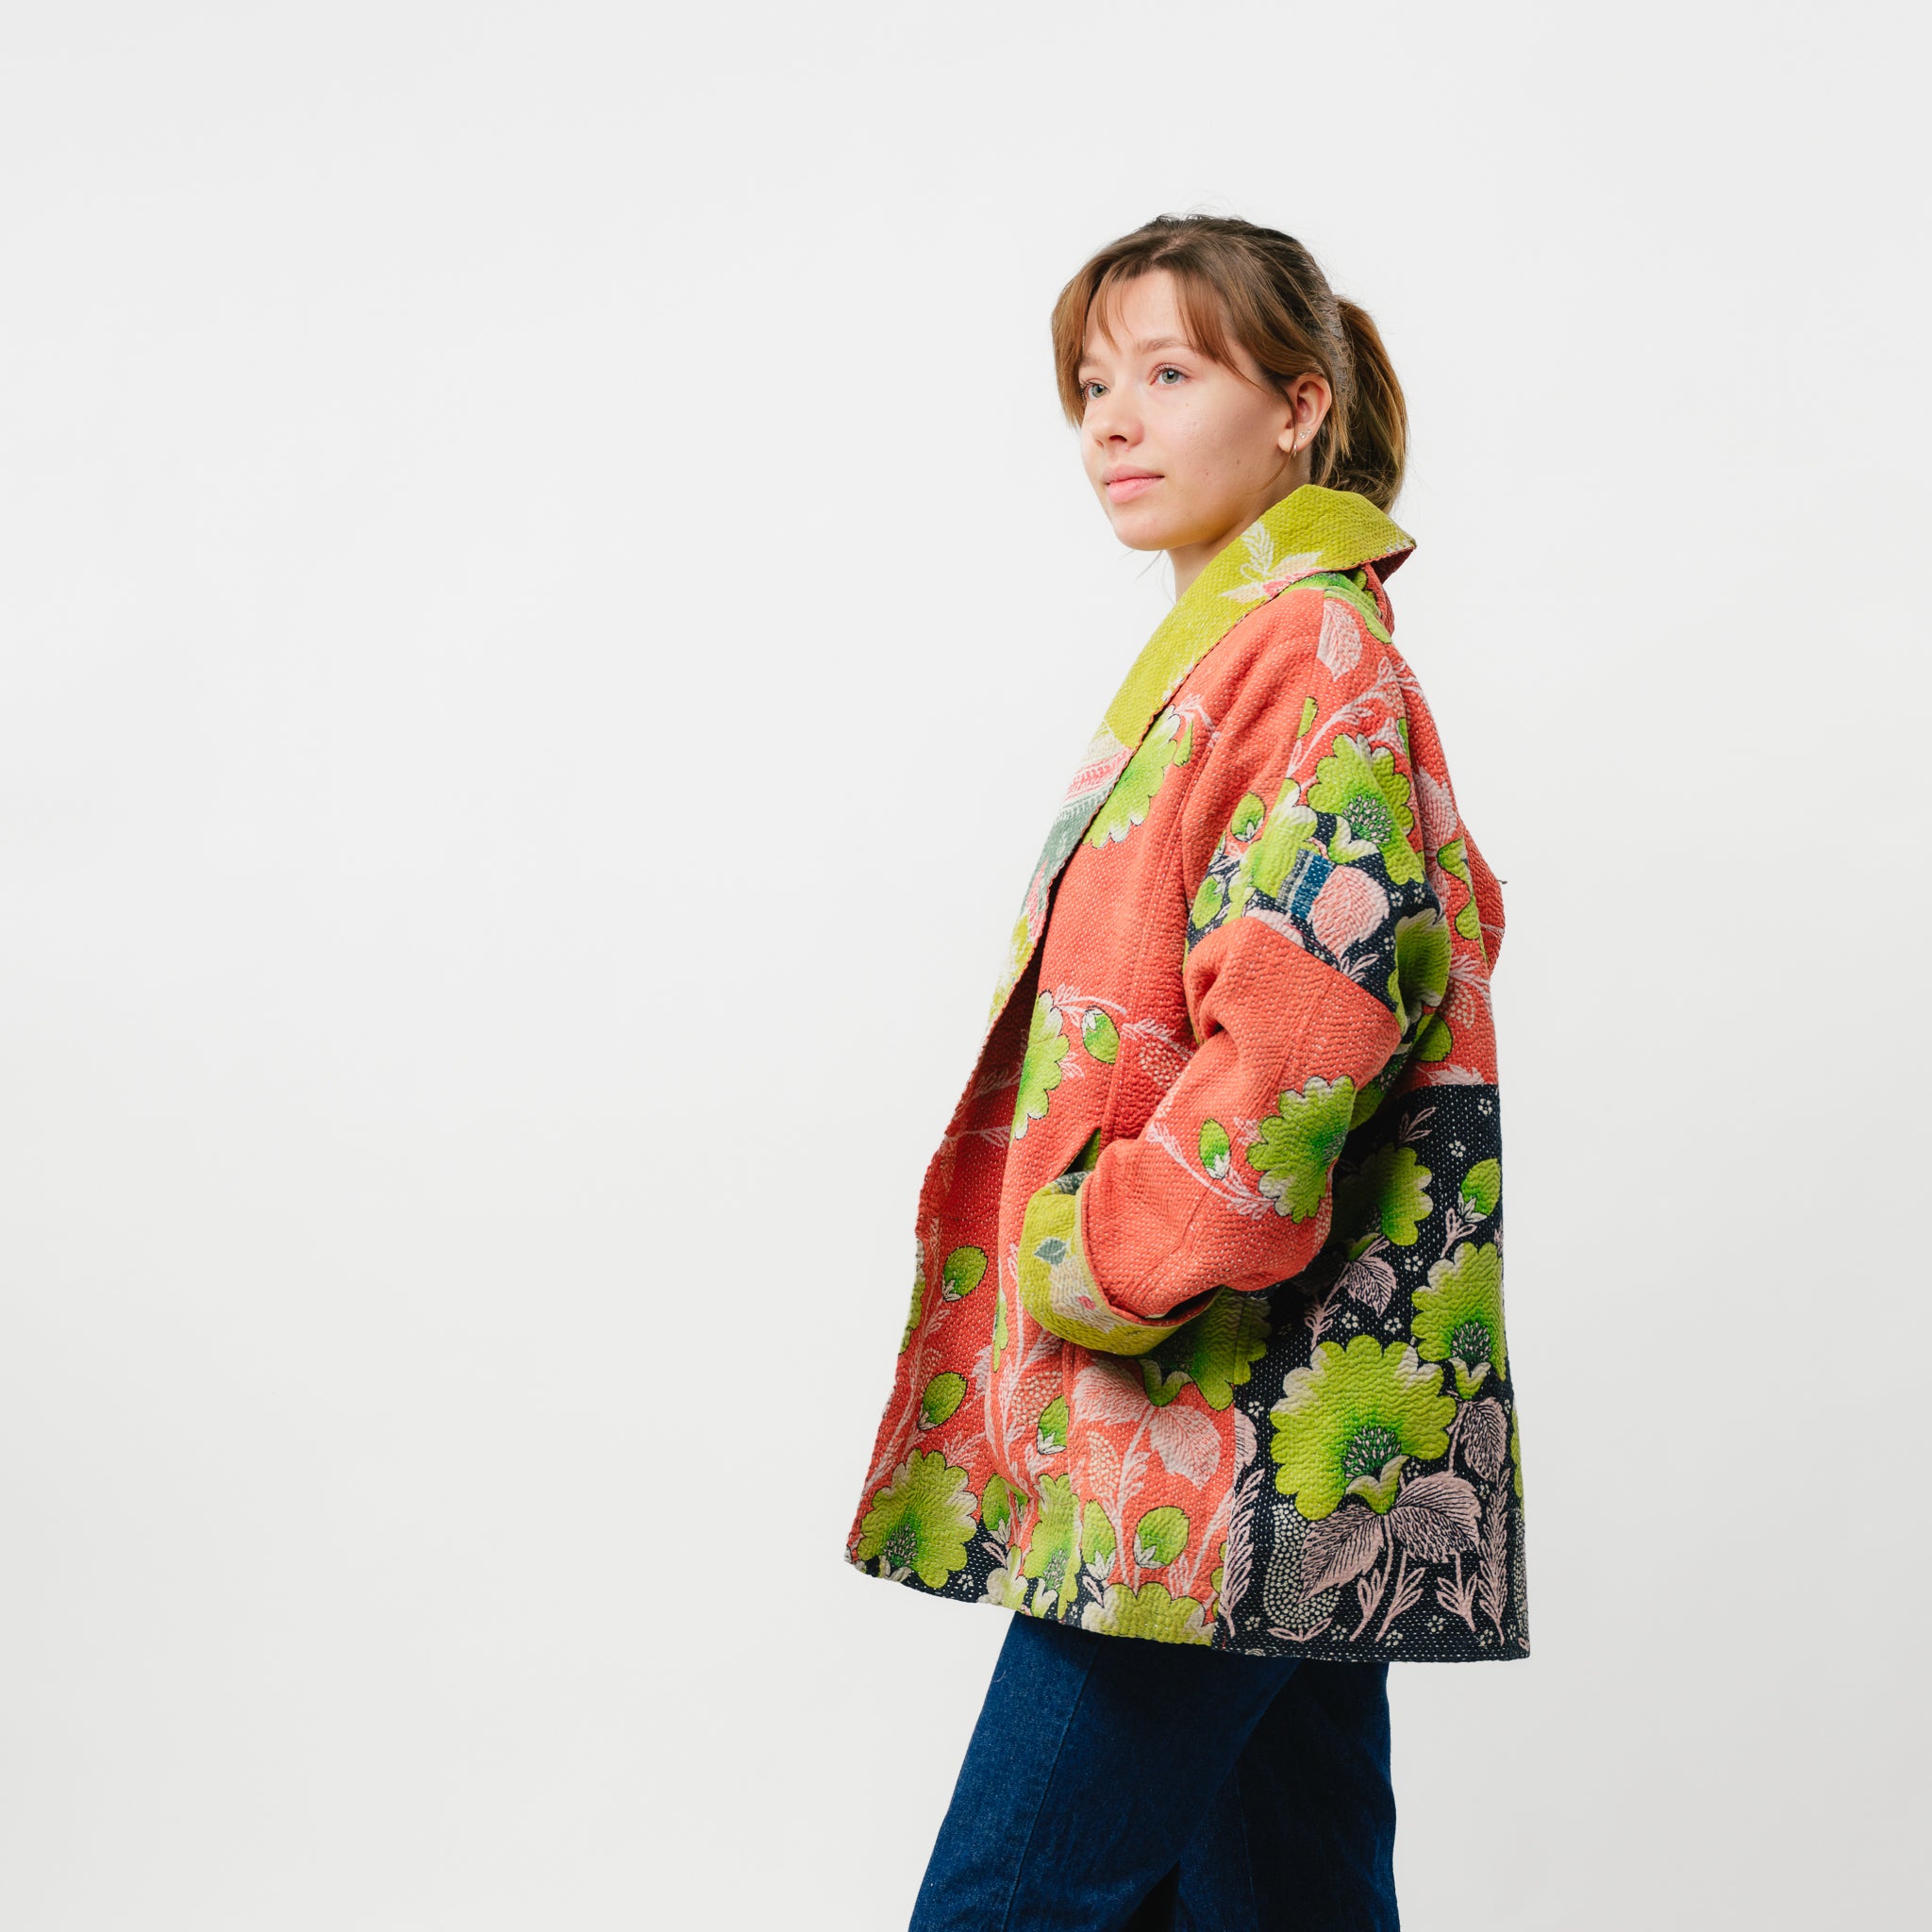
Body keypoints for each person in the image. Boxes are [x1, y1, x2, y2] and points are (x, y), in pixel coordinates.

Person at [842, 213, 1529, 1931]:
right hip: (1278, 1442)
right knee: (1282, 1898)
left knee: (1006, 1900)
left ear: (1302, 407)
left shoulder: (1314, 658)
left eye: (1168, 373)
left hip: (1209, 1442)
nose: (1115, 423)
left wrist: (1107, 1255)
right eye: (1093, 384)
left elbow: (1306, 1024)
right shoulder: (1250, 651)